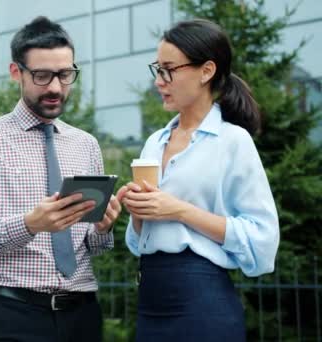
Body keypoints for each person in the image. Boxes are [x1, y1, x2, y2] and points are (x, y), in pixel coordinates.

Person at [0, 16, 125, 342]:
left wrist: (103, 228)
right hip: (13, 317)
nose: (56, 87)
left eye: (65, 74)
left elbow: (92, 246)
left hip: (83, 314)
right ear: (16, 72)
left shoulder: (86, 144)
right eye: (42, 76)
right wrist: (30, 224)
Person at [120, 19, 280, 341]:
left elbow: (263, 240)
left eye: (168, 70)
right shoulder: (154, 142)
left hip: (203, 303)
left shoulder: (232, 141)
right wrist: (138, 212)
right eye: (157, 69)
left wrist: (179, 211)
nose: (159, 81)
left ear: (206, 71)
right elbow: (139, 242)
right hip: (150, 301)